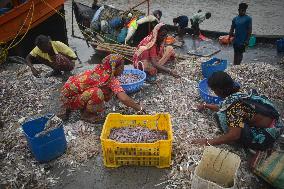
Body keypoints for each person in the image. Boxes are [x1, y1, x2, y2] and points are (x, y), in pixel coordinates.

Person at [192, 71, 282, 150]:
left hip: (267, 135)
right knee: (228, 114)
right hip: (276, 123)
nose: (214, 92)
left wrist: (208, 142)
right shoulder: (238, 94)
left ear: (219, 91)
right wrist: (205, 105)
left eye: (213, 90)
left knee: (221, 117)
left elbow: (234, 135)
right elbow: (223, 106)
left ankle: (253, 145)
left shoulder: (234, 108)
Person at [60, 54, 145, 123]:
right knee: (97, 93)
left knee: (104, 90)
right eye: (122, 67)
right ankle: (87, 115)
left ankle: (83, 106)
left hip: (70, 95)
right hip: (68, 100)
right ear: (115, 68)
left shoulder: (101, 70)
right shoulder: (110, 78)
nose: (123, 69)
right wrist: (139, 108)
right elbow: (123, 98)